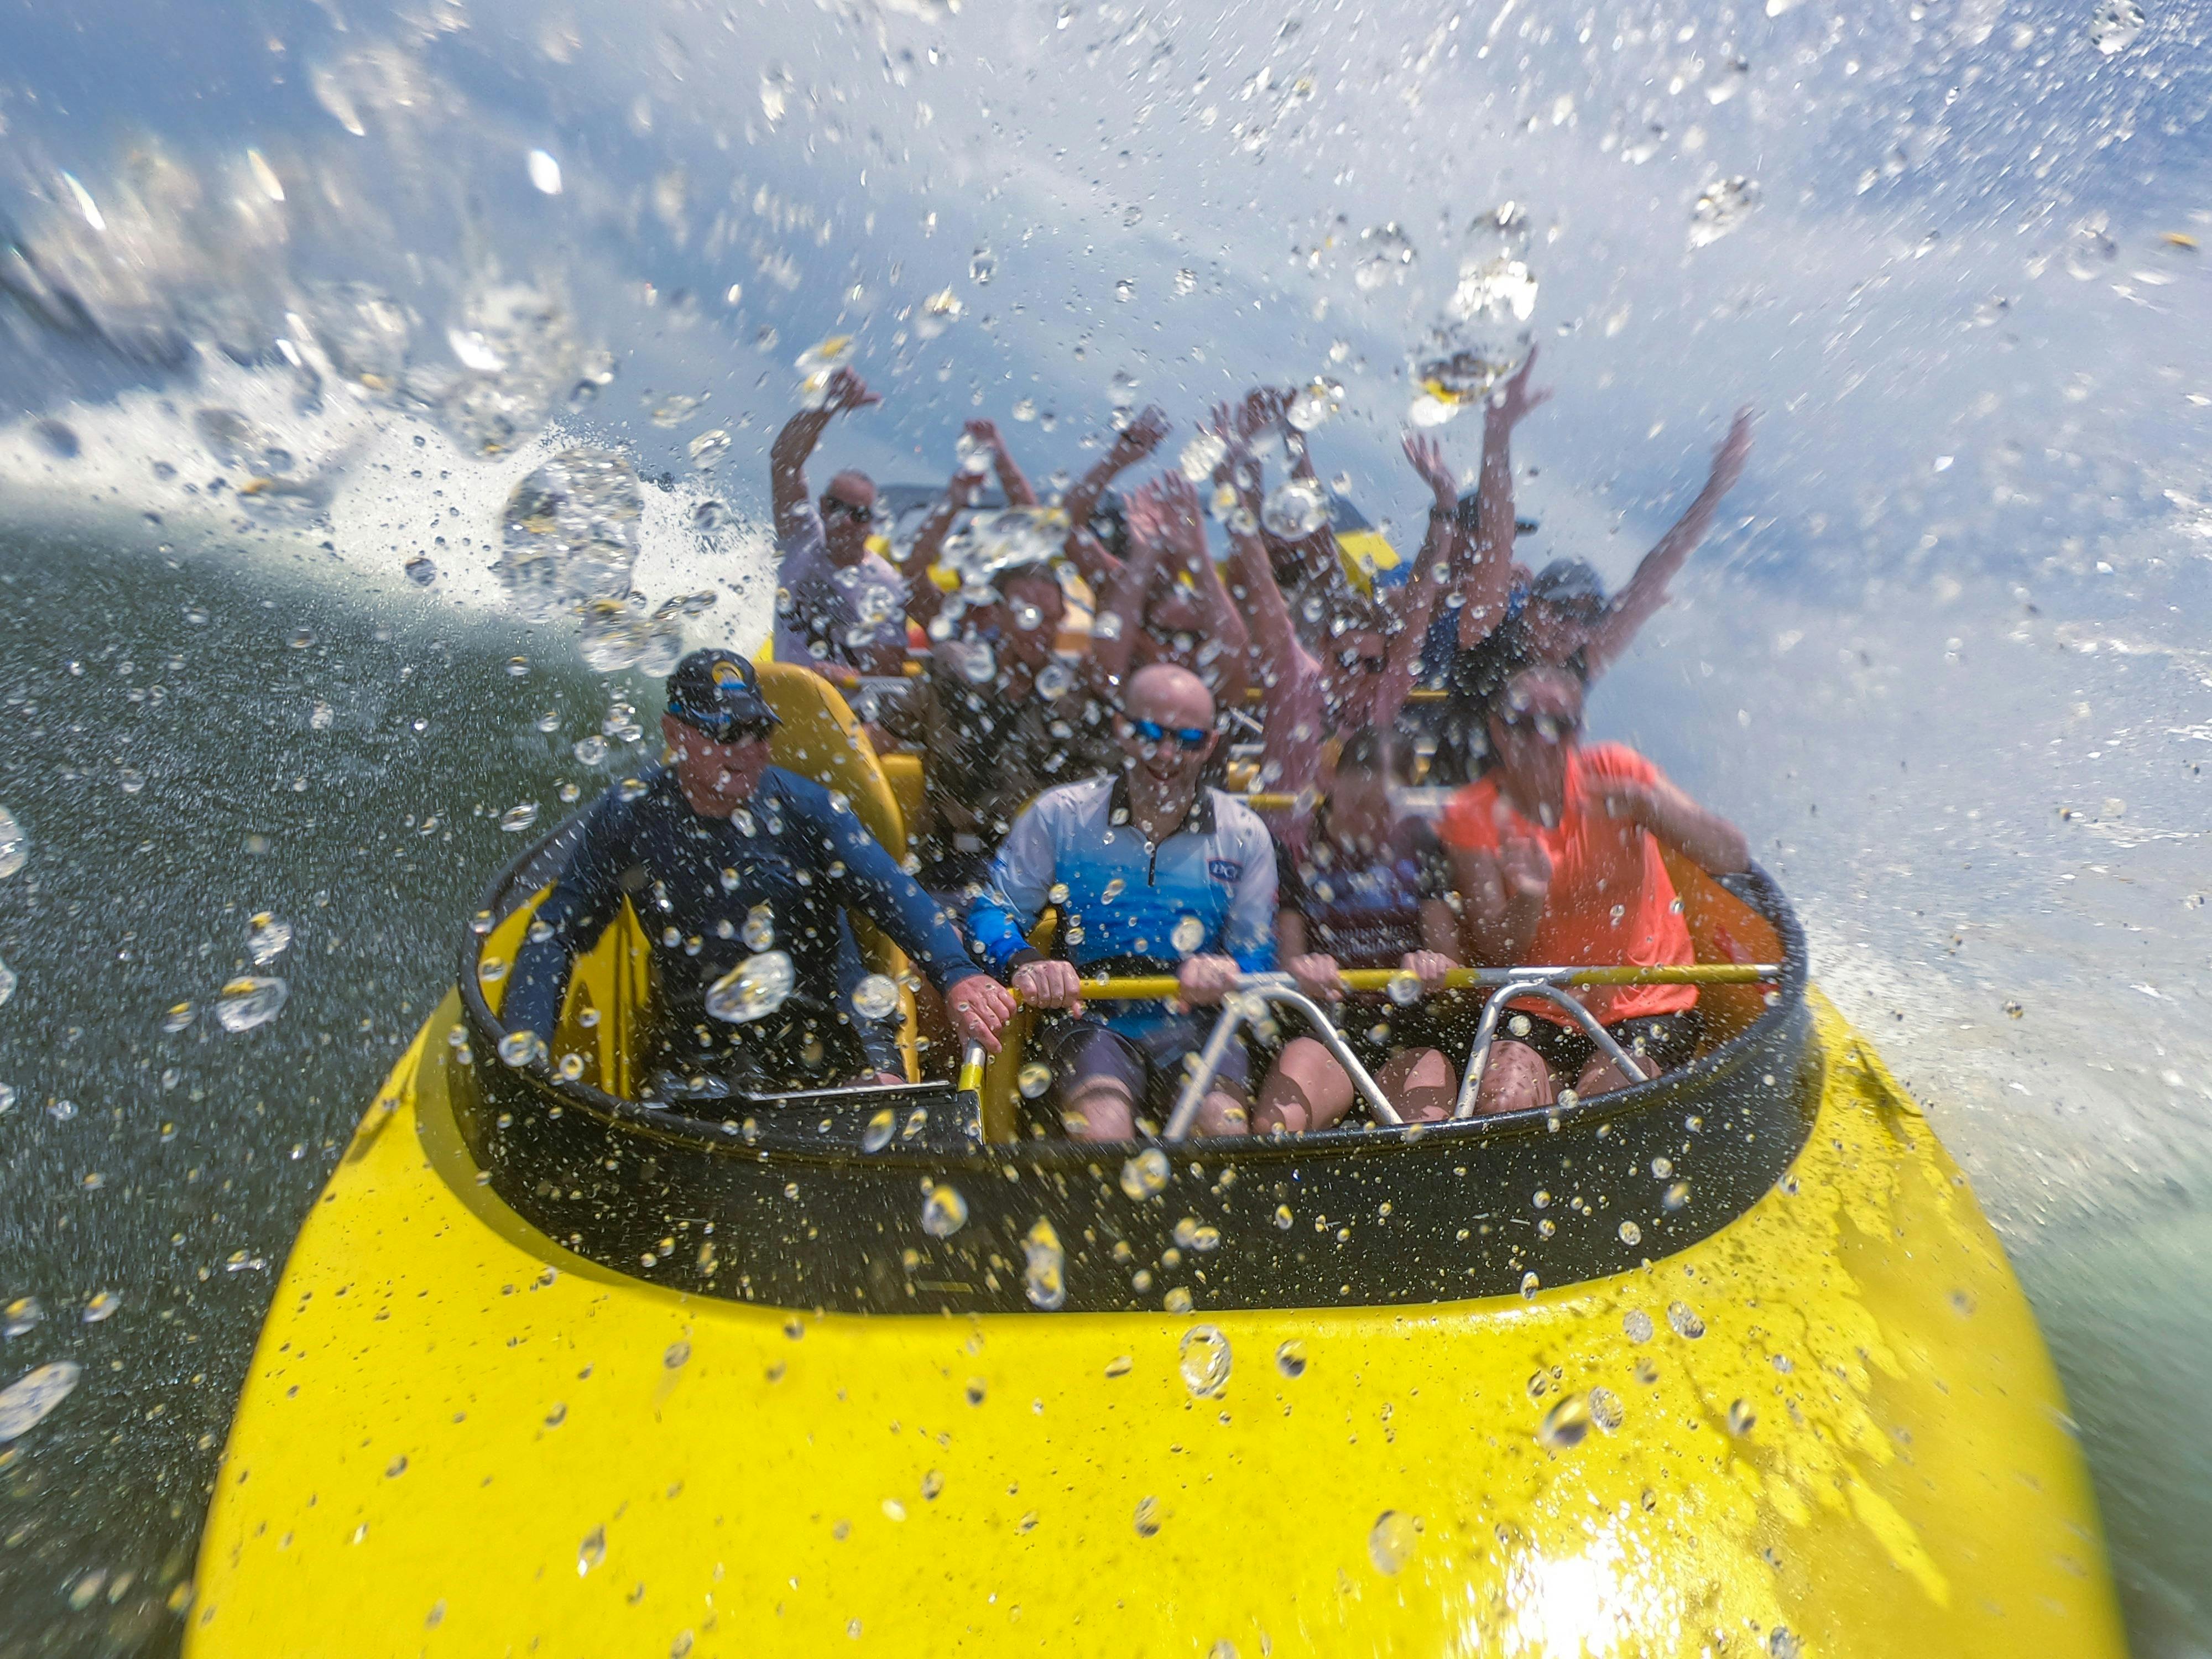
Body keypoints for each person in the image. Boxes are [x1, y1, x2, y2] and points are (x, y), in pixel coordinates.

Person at [504, 651, 1015, 1098]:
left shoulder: (811, 811)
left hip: (834, 1031)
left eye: (760, 730)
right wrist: (525, 1045)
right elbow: (555, 935)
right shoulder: (630, 815)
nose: (749, 750)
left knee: (874, 1113)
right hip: (704, 1039)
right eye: (727, 734)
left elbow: (897, 898)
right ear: (676, 734)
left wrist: (957, 974)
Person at [1412, 348, 1754, 783]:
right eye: (1561, 609)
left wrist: (1717, 487)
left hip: (1529, 834)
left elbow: (1654, 574)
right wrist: (1496, 434)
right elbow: (1497, 544)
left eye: (1587, 616)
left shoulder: (1580, 661)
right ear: (1531, 606)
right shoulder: (1485, 634)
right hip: (1453, 813)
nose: (1572, 627)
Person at [968, 662, 1277, 1141]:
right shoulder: (1061, 816)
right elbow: (991, 911)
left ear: (1211, 744)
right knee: (1103, 1127)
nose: (1168, 754)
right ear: (1121, 729)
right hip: (1090, 1017)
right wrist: (1027, 962)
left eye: (1189, 740)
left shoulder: (1245, 833)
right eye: (1151, 733)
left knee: (1220, 1123)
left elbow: (1259, 952)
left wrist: (1230, 970)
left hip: (1199, 1023)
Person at [1438, 665, 1749, 1115]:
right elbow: (1494, 951)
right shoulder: (1471, 813)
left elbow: (1730, 856)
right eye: (1525, 725)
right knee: (1501, 1103)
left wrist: (1646, 804)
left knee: (1605, 1107)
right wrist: (1530, 894)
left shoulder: (1617, 773)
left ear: (1577, 731)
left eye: (1557, 727)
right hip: (1535, 1005)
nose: (1542, 740)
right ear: (1498, 731)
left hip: (1646, 1004)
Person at [1220, 422, 1462, 800]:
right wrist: (1236, 476)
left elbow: (1421, 593)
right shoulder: (1296, 677)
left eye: (1372, 664)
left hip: (1348, 850)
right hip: (1284, 848)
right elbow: (1258, 576)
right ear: (1323, 650)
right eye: (1347, 659)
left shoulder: (1385, 689)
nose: (1360, 675)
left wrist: (1446, 504)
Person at [1253, 728, 1467, 1133]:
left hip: (1409, 1030)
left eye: (1384, 807)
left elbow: (1452, 965)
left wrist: (1436, 967)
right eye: (1358, 804)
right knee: (1275, 1128)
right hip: (1326, 1032)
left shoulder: (1423, 844)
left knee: (1423, 1129)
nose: (1369, 821)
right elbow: (1286, 970)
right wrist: (1305, 974)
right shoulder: (1296, 849)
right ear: (1332, 781)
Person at [877, 557, 1114, 898]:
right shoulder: (953, 674)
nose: (1038, 631)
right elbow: (872, 742)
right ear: (998, 614)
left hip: (1042, 879)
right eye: (1025, 617)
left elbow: (1108, 795)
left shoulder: (1076, 701)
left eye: (1048, 618)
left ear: (1063, 618)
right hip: (951, 870)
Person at [768, 366, 910, 676]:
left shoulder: (886, 585)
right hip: (784, 694)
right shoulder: (801, 537)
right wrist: (825, 407)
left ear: (871, 525)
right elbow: (784, 461)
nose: (845, 522)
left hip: (843, 710)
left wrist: (845, 676)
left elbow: (890, 672)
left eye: (859, 516)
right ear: (821, 506)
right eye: (836, 507)